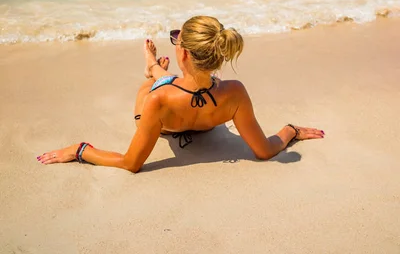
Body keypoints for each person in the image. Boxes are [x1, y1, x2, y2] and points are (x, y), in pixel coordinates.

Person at [37, 16, 324, 172]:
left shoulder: (158, 100)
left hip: (165, 119)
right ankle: (156, 69)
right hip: (206, 110)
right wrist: (290, 130)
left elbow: (130, 163)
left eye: (176, 38)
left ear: (182, 52)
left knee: (152, 87)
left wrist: (81, 150)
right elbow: (264, 150)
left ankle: (151, 69)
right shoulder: (235, 92)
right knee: (177, 81)